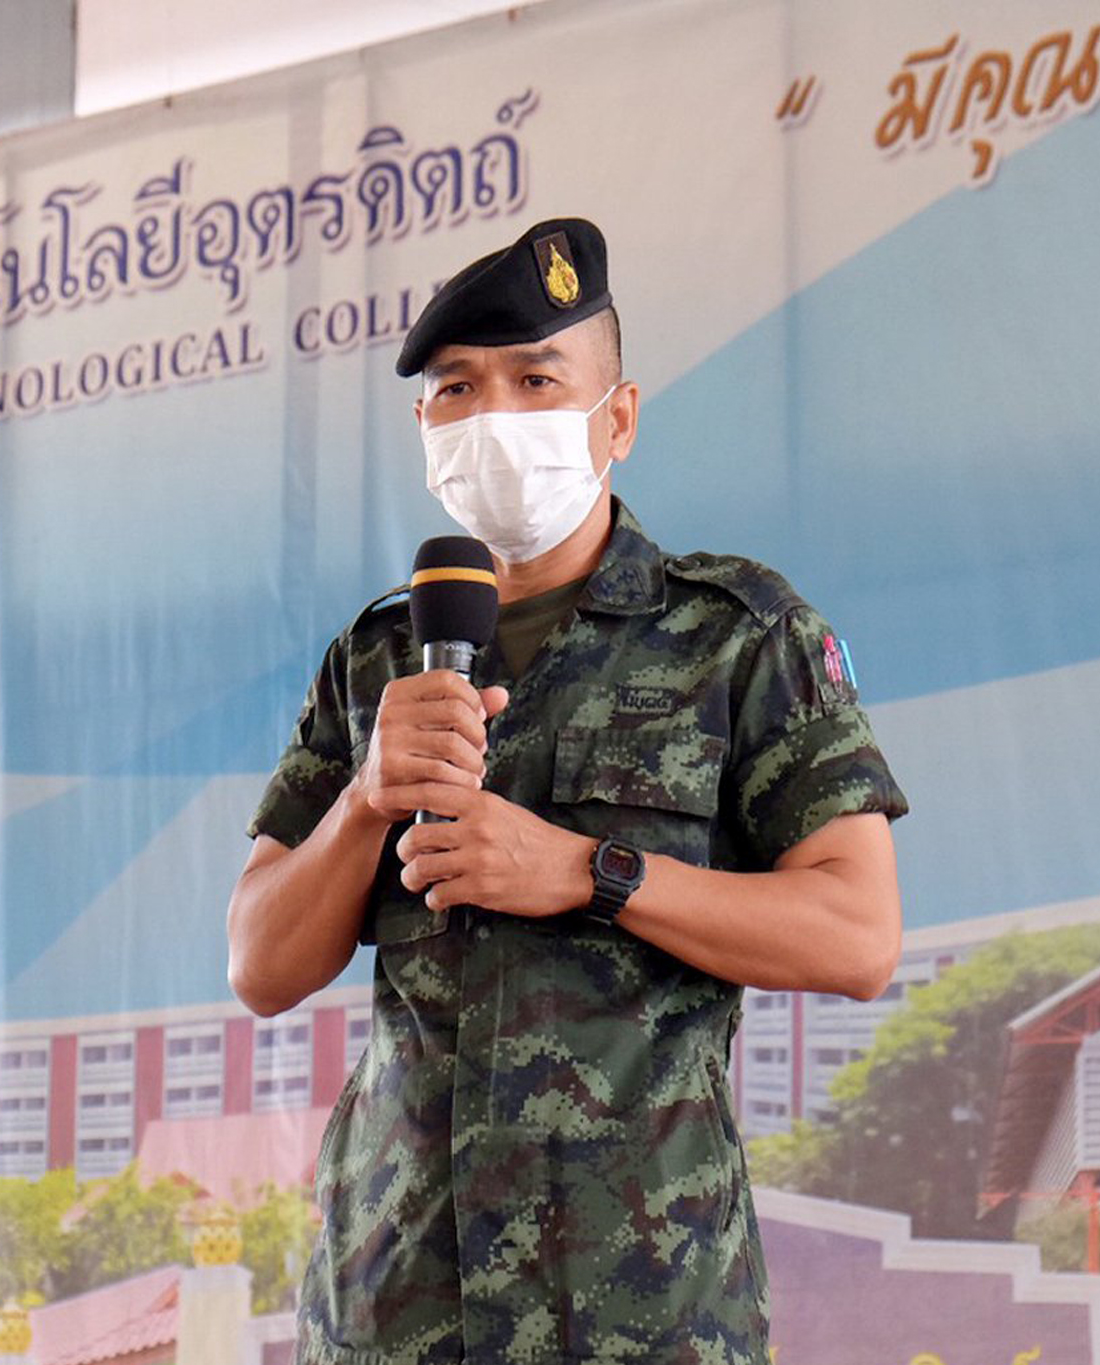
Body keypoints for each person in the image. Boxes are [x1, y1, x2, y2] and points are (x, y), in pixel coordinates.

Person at [226, 217, 909, 1363]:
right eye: (458, 389)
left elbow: (855, 935)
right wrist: (362, 801)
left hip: (640, 1307)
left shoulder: (735, 637)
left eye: (536, 380)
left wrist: (586, 873)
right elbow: (258, 963)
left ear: (618, 417)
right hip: (394, 1308)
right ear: (423, 426)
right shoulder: (377, 658)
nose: (493, 416)